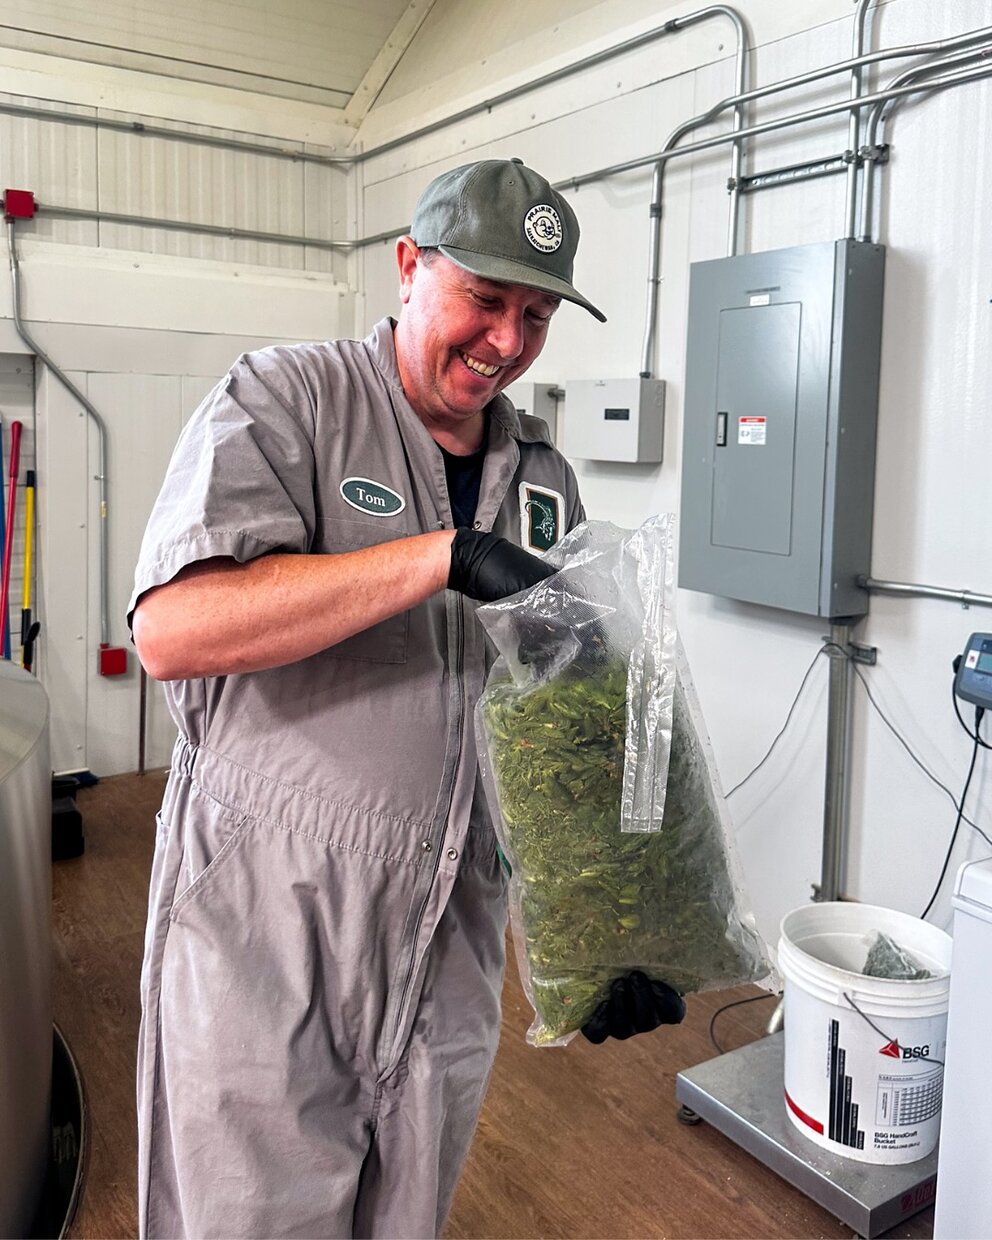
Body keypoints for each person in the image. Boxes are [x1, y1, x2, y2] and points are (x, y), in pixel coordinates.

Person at [129, 157, 682, 1240]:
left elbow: (555, 724)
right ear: (405, 267)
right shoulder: (285, 400)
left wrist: (604, 926)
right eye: (485, 300)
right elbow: (172, 631)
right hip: (271, 925)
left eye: (535, 314)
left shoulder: (544, 480)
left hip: (450, 940)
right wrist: (440, 558)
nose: (507, 343)